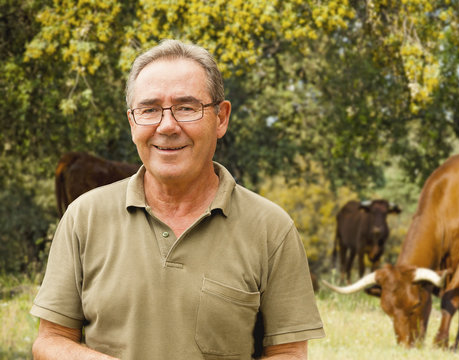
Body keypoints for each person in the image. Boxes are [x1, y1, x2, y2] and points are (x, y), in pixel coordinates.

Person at [30, 39, 325, 360]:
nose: (167, 126)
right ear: (132, 122)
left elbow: (289, 353)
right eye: (150, 109)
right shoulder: (83, 218)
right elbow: (50, 341)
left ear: (221, 118)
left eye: (186, 107)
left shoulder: (272, 228)